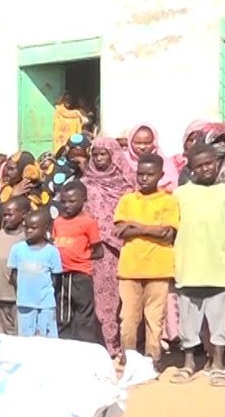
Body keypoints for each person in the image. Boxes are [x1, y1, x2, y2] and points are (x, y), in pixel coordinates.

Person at [114, 153, 179, 370]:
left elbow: (168, 234)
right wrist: (154, 229)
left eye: (149, 175)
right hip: (130, 269)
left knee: (154, 318)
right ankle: (129, 358)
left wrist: (137, 227)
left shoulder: (169, 201)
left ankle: (152, 359)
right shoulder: (127, 200)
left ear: (160, 175)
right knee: (128, 318)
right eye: (140, 174)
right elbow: (120, 230)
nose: (144, 179)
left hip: (158, 268)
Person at [169, 142, 225, 384]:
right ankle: (189, 363)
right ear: (190, 169)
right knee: (188, 324)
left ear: (217, 163)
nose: (205, 169)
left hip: (219, 269)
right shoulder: (181, 194)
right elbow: (171, 230)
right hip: (189, 268)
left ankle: (219, 365)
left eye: (209, 164)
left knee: (220, 322)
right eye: (199, 166)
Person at [81, 135, 136, 354]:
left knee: (128, 300)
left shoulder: (128, 184)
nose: (100, 159)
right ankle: (107, 344)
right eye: (95, 155)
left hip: (128, 248)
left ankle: (129, 343)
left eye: (104, 154)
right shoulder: (86, 183)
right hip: (97, 251)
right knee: (102, 298)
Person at [52, 181, 102, 345]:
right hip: (62, 275)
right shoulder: (58, 222)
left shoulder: (88, 222)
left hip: (81, 275)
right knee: (63, 313)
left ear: (84, 200)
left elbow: (98, 251)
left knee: (84, 314)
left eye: (72, 201)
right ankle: (66, 345)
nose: (67, 205)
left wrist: (81, 257)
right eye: (64, 201)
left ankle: (86, 347)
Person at [9, 210, 63, 338]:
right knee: (26, 340)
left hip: (46, 304)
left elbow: (56, 279)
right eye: (26, 227)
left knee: (47, 339)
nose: (29, 231)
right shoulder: (17, 249)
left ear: (45, 229)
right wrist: (22, 294)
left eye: (33, 228)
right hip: (25, 303)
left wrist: (46, 295)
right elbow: (14, 275)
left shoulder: (52, 252)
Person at [0, 197, 30, 336]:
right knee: (2, 332)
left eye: (10, 214)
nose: (6, 218)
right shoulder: (1, 234)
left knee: (19, 333)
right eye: (4, 215)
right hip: (2, 294)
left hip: (18, 297)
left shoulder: (25, 237)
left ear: (24, 215)